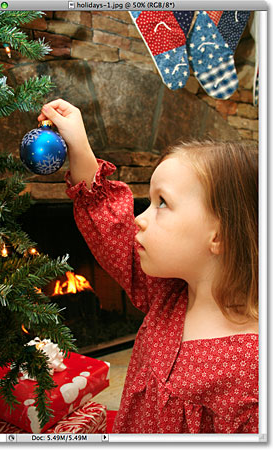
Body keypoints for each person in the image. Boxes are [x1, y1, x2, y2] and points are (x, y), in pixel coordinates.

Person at [38, 98, 259, 434]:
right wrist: (79, 145)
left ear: (220, 233)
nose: (139, 219)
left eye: (162, 203)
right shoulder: (168, 296)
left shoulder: (254, 370)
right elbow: (113, 230)